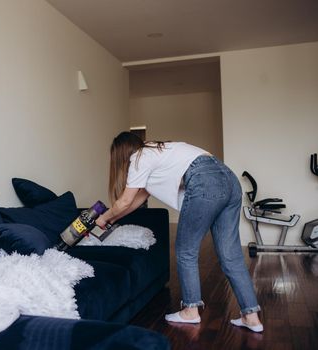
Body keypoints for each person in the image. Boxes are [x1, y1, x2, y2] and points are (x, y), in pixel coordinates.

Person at [95, 132, 263, 333]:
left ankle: (191, 311)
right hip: (229, 180)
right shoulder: (159, 151)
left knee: (185, 251)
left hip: (204, 182)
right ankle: (251, 316)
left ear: (121, 153)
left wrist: (103, 218)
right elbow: (136, 200)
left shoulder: (138, 157)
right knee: (231, 256)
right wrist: (113, 218)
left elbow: (124, 200)